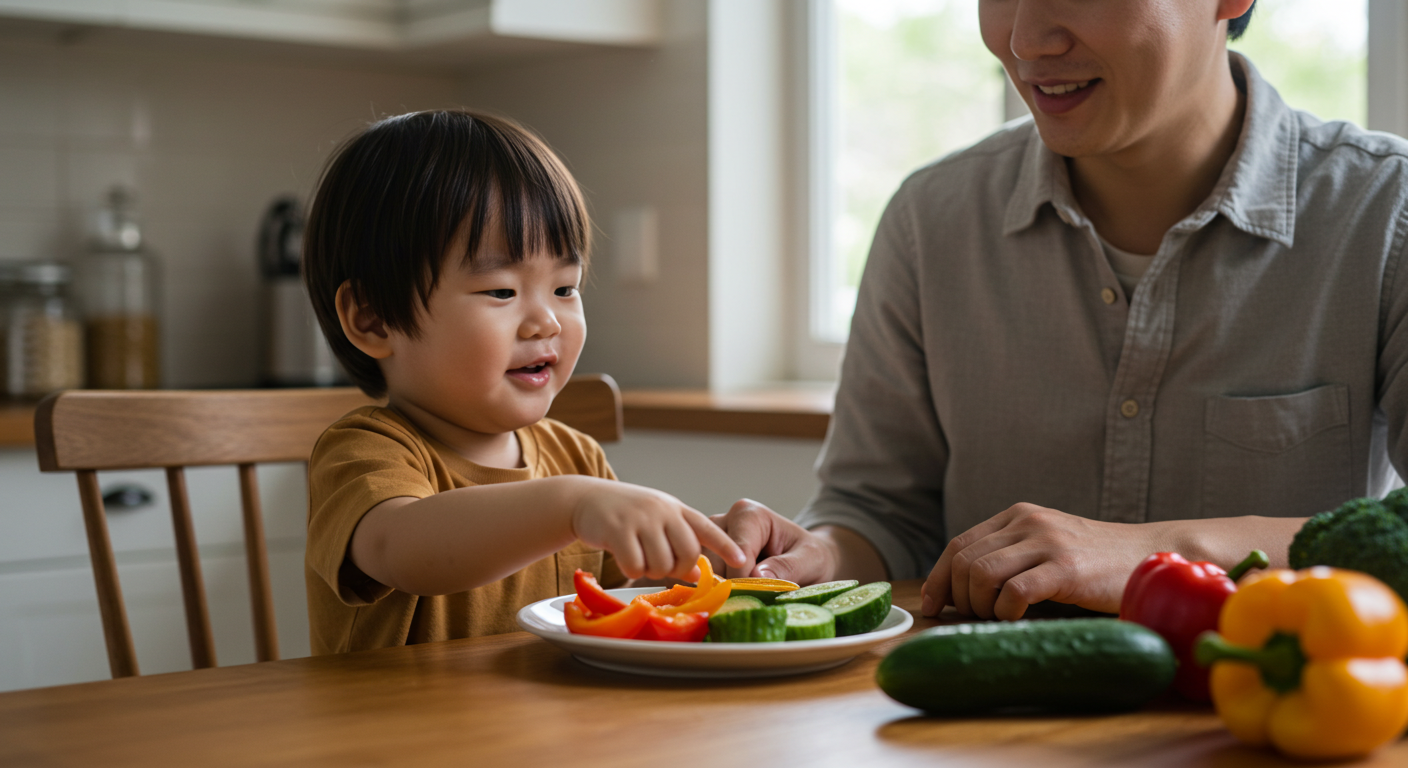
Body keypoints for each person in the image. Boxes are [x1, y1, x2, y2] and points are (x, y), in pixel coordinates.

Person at [714, 0, 1408, 621]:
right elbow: (882, 513)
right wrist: (817, 557)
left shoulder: (1386, 215)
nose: (1023, 39)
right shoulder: (931, 220)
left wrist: (1155, 553)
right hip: (983, 729)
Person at [300, 110, 745, 654]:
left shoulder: (575, 458)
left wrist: (712, 555)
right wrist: (572, 505)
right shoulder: (366, 452)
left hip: (540, 733)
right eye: (501, 292)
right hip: (396, 737)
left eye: (565, 288)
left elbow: (623, 597)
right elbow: (403, 549)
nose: (547, 322)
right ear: (372, 319)